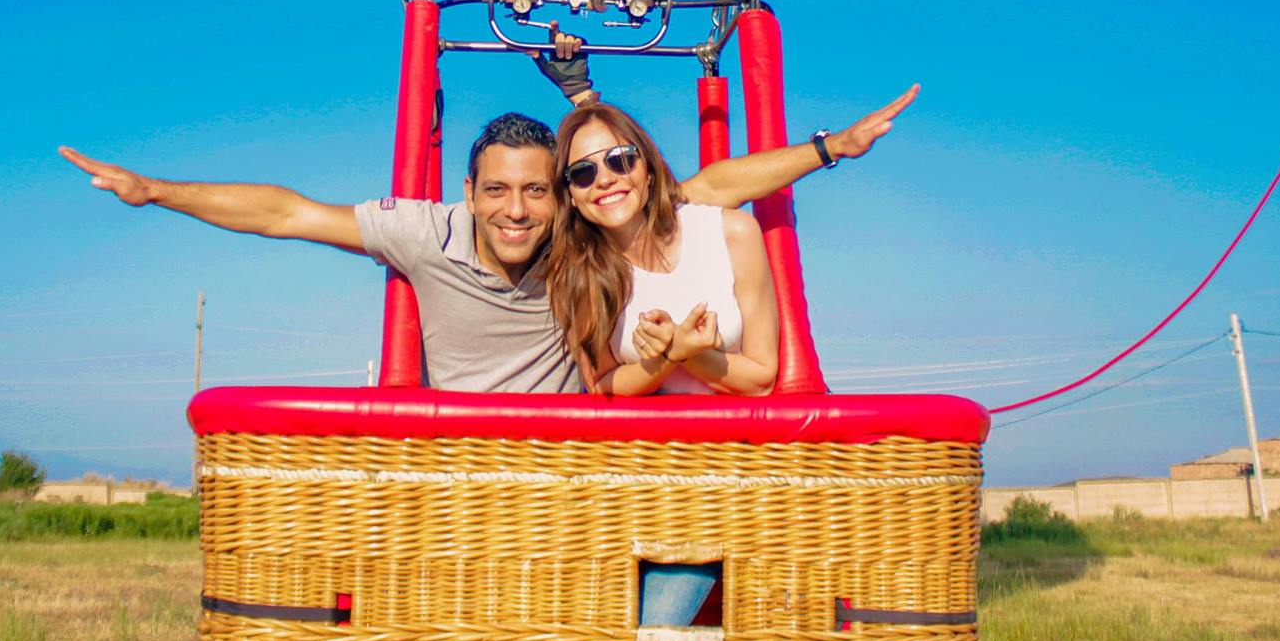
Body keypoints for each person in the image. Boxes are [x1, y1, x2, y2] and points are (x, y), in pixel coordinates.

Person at [59, 85, 917, 393]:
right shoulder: (424, 231)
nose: (517, 211)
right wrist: (156, 190)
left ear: (562, 200)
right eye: (497, 191)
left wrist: (828, 148)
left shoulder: (583, 242)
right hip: (462, 460)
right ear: (466, 191)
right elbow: (289, 212)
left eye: (540, 190)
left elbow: (709, 187)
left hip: (564, 458)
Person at [547, 102, 777, 399]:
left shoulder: (733, 233)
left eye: (621, 160)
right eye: (582, 173)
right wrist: (667, 357)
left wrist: (687, 353)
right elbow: (600, 385)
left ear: (649, 170)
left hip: (732, 442)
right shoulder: (577, 271)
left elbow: (762, 380)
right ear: (571, 197)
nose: (604, 180)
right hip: (644, 444)